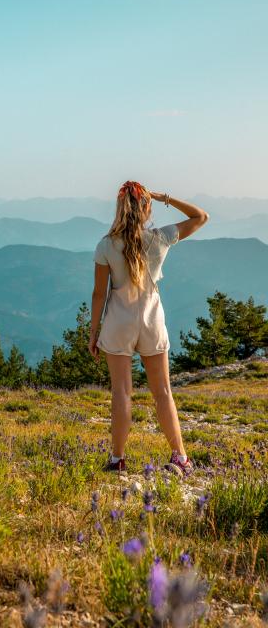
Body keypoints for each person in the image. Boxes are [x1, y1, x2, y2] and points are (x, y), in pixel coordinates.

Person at [89, 181, 209, 476]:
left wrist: (93, 332)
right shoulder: (160, 238)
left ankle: (118, 460)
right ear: (146, 208)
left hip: (119, 320)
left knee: (121, 392)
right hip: (152, 317)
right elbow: (200, 216)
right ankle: (180, 456)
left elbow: (99, 294)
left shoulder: (106, 245)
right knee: (163, 391)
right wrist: (164, 197)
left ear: (119, 208)